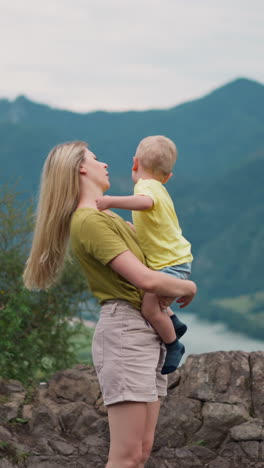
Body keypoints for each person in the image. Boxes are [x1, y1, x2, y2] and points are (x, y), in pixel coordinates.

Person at [23, 141, 197, 468]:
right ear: (80, 168)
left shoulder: (111, 217)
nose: (104, 164)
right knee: (126, 457)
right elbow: (145, 280)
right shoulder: (90, 221)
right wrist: (189, 285)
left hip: (146, 333)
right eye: (94, 159)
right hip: (125, 335)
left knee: (141, 453)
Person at [96, 135, 193, 375]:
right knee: (155, 301)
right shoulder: (160, 188)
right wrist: (133, 230)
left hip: (170, 265)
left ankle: (174, 345)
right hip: (175, 261)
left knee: (149, 309)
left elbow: (145, 203)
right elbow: (154, 226)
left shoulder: (147, 187)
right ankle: (173, 322)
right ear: (168, 176)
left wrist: (110, 202)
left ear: (134, 164)